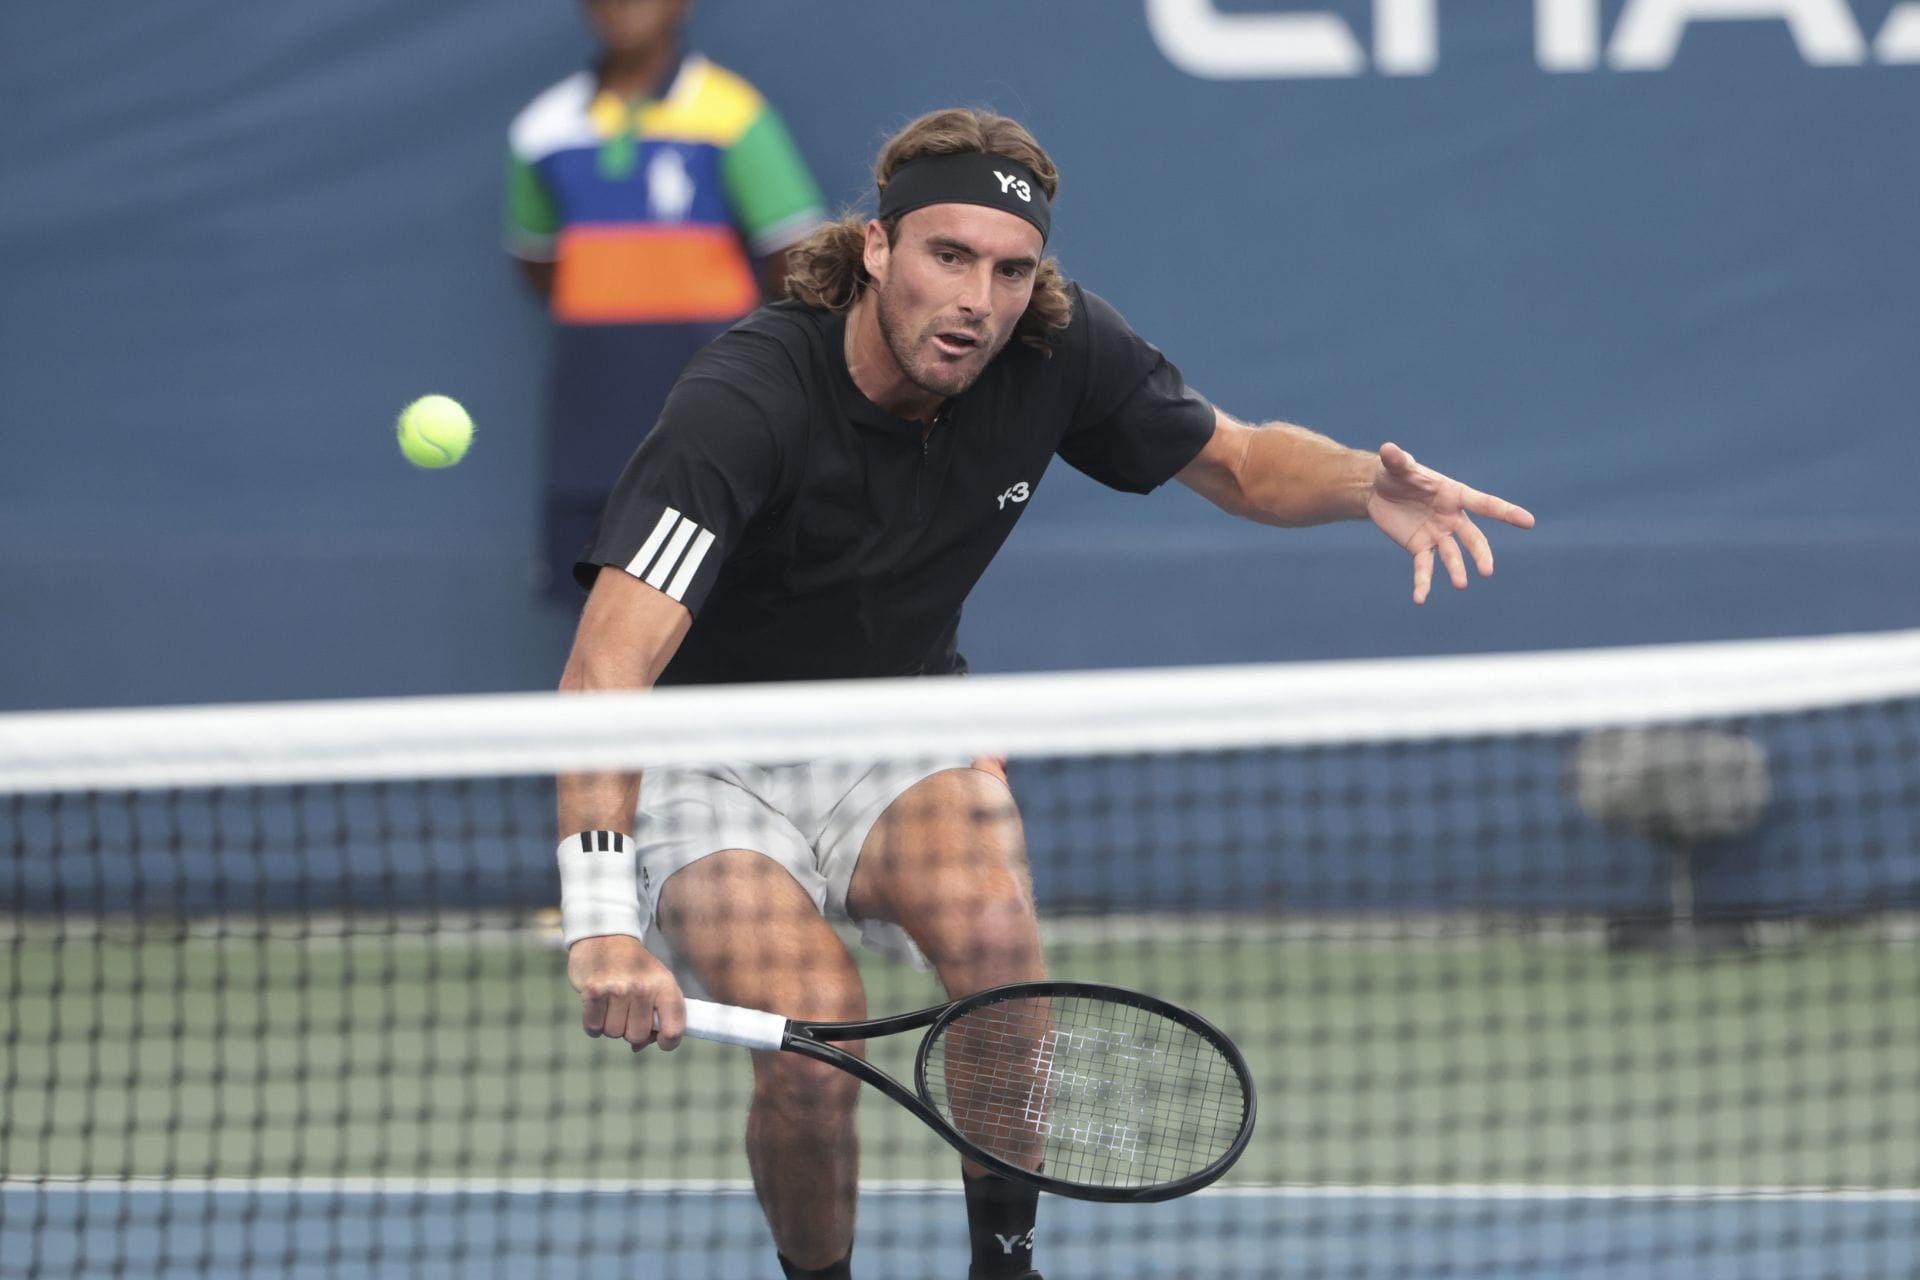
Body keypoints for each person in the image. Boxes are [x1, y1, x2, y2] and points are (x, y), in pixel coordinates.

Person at [554, 108, 1535, 1280]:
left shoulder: (1055, 354)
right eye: (948, 256)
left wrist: (1362, 483)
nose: (978, 298)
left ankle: (1004, 1269)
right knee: (811, 1055)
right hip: (708, 759)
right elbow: (606, 670)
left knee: (997, 940)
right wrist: (604, 926)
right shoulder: (744, 402)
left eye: (1011, 269)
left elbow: (1238, 459)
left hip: (896, 728)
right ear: (877, 248)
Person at [506, 0, 827, 601]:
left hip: (709, 394)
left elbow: (797, 258)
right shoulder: (541, 129)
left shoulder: (734, 115)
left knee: (719, 596)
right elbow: (536, 262)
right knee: (593, 599)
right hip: (593, 402)